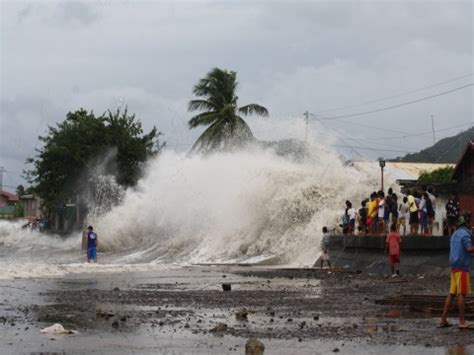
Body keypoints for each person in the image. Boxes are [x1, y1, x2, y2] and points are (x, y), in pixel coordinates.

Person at [439, 212, 474, 329]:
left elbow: (461, 250)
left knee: (452, 294)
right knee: (462, 294)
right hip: (462, 268)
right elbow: (469, 248)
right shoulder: (465, 234)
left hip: (453, 267)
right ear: (467, 222)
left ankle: (443, 319)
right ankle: (462, 322)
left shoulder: (454, 234)